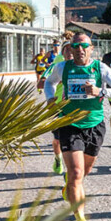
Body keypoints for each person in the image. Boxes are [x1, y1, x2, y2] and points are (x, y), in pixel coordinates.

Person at [44, 33, 111, 221]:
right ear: (70, 49)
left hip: (95, 124)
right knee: (76, 172)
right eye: (75, 46)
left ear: (91, 49)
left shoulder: (100, 68)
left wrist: (101, 91)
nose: (79, 49)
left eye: (84, 46)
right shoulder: (62, 67)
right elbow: (49, 83)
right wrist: (50, 99)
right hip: (69, 123)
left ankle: (68, 188)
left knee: (83, 173)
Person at [41, 42, 72, 177]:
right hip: (57, 106)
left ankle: (71, 170)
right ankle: (58, 159)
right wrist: (58, 81)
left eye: (73, 48)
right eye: (67, 49)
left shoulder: (82, 69)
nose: (70, 52)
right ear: (63, 53)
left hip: (73, 108)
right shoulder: (56, 67)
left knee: (73, 140)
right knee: (58, 139)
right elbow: (41, 82)